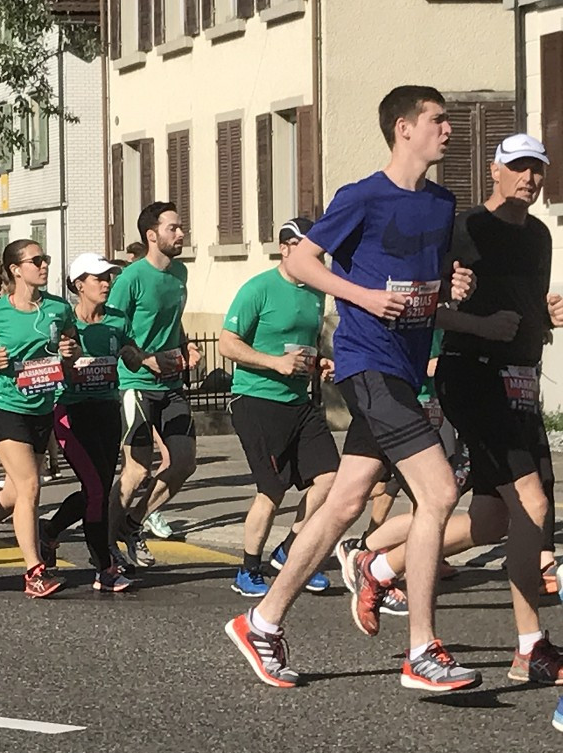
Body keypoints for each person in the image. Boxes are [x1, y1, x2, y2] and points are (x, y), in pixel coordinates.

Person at [224, 86, 477, 691]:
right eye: (437, 121)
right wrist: (361, 295)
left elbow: (433, 287)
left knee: (342, 501)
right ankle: (421, 650)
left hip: (407, 368)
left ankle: (261, 621)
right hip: (368, 363)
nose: (448, 130)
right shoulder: (362, 196)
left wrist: (455, 290)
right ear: (403, 129)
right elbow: (307, 262)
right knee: (439, 492)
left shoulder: (443, 204)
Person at [338, 133, 563, 685]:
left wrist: (546, 315)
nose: (529, 180)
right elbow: (433, 302)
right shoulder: (464, 227)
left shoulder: (538, 235)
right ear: (494, 171)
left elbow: (523, 303)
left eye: (538, 170)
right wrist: (465, 310)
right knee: (532, 506)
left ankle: (380, 565)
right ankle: (530, 647)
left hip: (521, 380)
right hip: (473, 374)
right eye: (518, 169)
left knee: (492, 520)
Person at [0, 239, 79, 597]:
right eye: (36, 260)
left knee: (13, 493)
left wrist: (71, 351)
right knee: (30, 487)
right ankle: (34, 572)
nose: (44, 265)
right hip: (5, 408)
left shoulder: (57, 308)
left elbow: (72, 347)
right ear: (15, 269)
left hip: (41, 407)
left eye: (46, 258)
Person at [219, 217, 338, 598]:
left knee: (331, 480)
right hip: (256, 399)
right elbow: (226, 343)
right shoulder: (259, 289)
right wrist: (274, 363)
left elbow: (306, 344)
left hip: (298, 401)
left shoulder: (315, 292)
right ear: (285, 248)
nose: (315, 257)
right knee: (272, 489)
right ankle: (248, 569)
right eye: (306, 249)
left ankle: (289, 551)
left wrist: (319, 362)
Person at [107, 202, 201, 570]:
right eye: (173, 228)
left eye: (181, 227)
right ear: (152, 235)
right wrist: (142, 358)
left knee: (184, 462)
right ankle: (107, 540)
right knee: (136, 470)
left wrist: (187, 344)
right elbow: (112, 333)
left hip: (172, 382)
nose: (181, 234)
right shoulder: (130, 278)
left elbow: (173, 324)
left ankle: (132, 523)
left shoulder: (179, 273)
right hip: (136, 383)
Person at [42, 253, 140, 591]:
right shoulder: (63, 322)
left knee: (94, 490)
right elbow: (43, 363)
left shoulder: (117, 319)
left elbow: (132, 352)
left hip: (106, 411)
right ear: (78, 284)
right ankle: (104, 566)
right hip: (71, 411)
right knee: (97, 490)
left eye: (108, 277)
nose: (106, 283)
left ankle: (50, 531)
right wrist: (63, 358)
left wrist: (135, 355)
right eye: (98, 278)